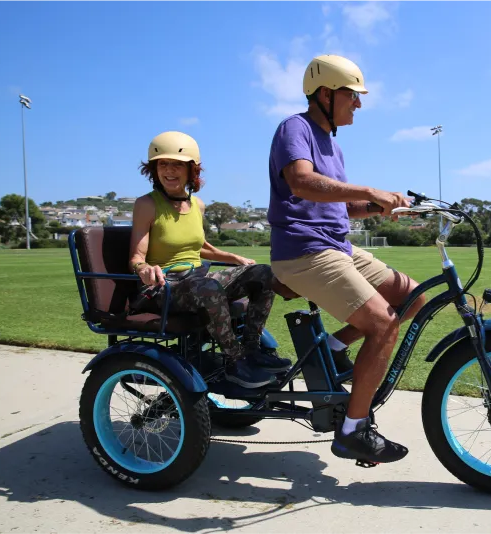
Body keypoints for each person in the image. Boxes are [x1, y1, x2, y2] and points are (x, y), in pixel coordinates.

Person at [267, 55, 427, 465]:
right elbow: (302, 183)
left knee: (414, 299)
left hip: (338, 248)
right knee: (382, 323)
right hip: (304, 251)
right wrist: (371, 190)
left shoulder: (334, 146)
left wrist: (377, 207)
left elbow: (337, 208)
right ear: (325, 94)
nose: (358, 104)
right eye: (352, 95)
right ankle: (354, 430)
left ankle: (335, 345)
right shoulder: (295, 128)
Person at [129, 131, 291, 390]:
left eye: (177, 165)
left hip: (196, 280)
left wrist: (235, 258)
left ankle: (252, 348)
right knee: (209, 287)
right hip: (164, 287)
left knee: (263, 274)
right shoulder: (147, 204)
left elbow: (201, 247)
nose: (169, 171)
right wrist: (143, 268)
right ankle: (235, 362)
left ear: (191, 170)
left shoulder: (198, 205)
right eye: (163, 164)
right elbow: (137, 256)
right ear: (153, 169)